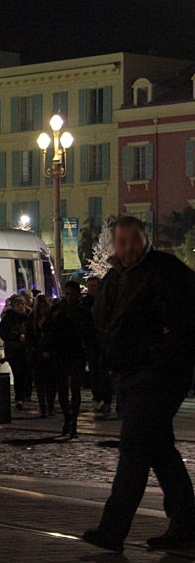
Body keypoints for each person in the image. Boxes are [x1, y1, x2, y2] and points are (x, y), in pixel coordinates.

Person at [83, 216, 195, 553]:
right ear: (114, 245)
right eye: (122, 241)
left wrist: (155, 355)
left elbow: (185, 325)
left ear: (144, 240)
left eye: (134, 240)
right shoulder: (113, 278)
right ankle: (187, 523)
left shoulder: (165, 271)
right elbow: (102, 324)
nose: (129, 247)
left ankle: (112, 530)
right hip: (128, 377)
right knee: (160, 452)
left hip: (157, 377)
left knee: (133, 453)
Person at [45, 281, 97, 439]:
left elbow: (90, 334)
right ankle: (67, 418)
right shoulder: (57, 310)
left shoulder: (83, 312)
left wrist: (90, 352)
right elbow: (48, 330)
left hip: (76, 354)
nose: (69, 297)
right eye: (67, 294)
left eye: (72, 294)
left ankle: (73, 421)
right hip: (60, 353)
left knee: (75, 389)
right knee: (62, 390)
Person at [83, 276, 112, 415]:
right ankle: (98, 398)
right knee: (94, 371)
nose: (91, 289)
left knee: (104, 372)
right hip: (91, 342)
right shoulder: (85, 303)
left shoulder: (106, 301)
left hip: (104, 341)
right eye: (90, 286)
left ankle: (106, 399)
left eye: (94, 286)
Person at [25, 294, 56, 418]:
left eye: (46, 306)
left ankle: (51, 406)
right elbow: (30, 339)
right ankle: (42, 406)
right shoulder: (31, 319)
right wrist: (38, 352)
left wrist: (50, 351)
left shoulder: (52, 319)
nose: (44, 309)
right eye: (42, 306)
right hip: (37, 355)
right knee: (39, 382)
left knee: (51, 382)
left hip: (50, 355)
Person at [0, 295, 30, 410]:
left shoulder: (28, 317)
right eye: (18, 304)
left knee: (26, 373)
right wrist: (17, 336)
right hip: (13, 351)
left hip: (26, 350)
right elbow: (3, 334)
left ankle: (26, 394)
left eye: (22, 304)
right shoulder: (8, 318)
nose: (21, 306)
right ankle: (19, 397)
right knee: (18, 373)